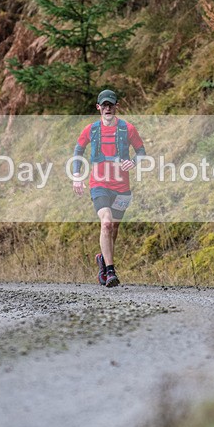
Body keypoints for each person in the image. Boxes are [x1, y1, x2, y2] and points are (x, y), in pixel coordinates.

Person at [72, 89, 146, 287]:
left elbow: (141, 152)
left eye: (110, 105)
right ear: (98, 107)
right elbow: (78, 150)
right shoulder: (91, 130)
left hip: (122, 187)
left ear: (116, 107)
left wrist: (134, 162)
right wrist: (76, 175)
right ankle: (110, 272)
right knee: (106, 223)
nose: (107, 108)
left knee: (114, 227)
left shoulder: (128, 129)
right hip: (99, 184)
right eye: (104, 105)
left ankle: (102, 261)